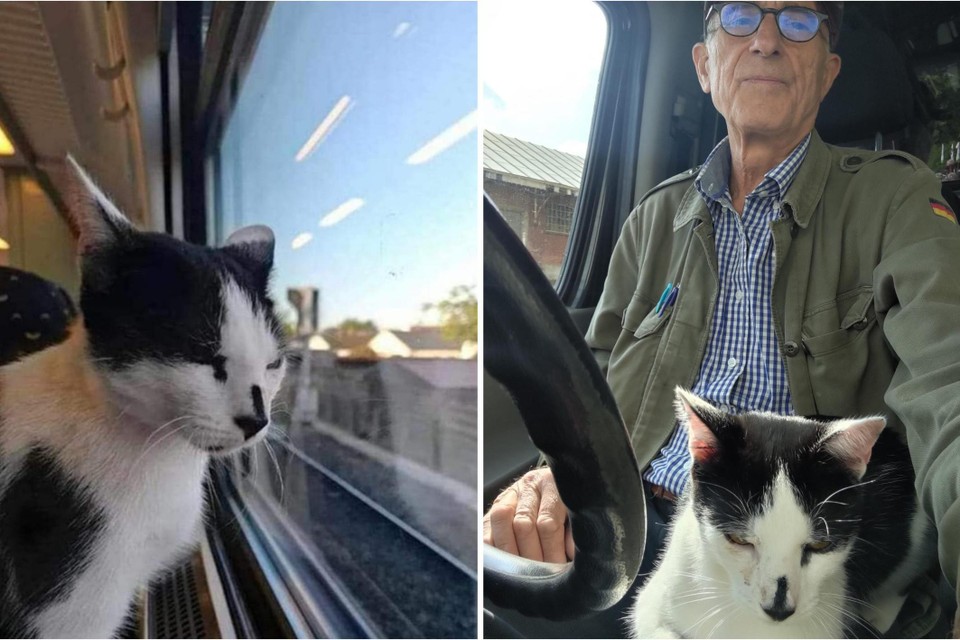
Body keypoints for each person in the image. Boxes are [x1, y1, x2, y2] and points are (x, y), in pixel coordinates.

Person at [483, 2, 960, 637]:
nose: (766, 38)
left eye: (797, 21)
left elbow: (946, 377)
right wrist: (551, 474)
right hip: (628, 526)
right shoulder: (652, 219)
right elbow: (588, 380)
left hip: (796, 567)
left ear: (828, 72)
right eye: (739, 16)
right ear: (705, 66)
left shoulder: (895, 199)